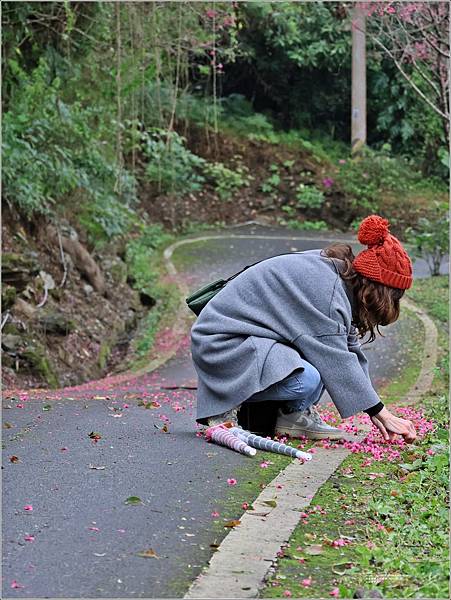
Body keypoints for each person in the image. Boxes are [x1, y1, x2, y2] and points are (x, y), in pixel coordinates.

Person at [190, 215, 417, 443]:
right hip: (222, 343)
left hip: (251, 340)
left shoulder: (340, 279)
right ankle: (226, 404)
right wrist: (380, 413)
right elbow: (336, 359)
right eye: (395, 297)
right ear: (379, 291)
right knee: (306, 378)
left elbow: (349, 352)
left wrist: (378, 409)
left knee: (319, 367)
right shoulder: (328, 293)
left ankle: (292, 416)